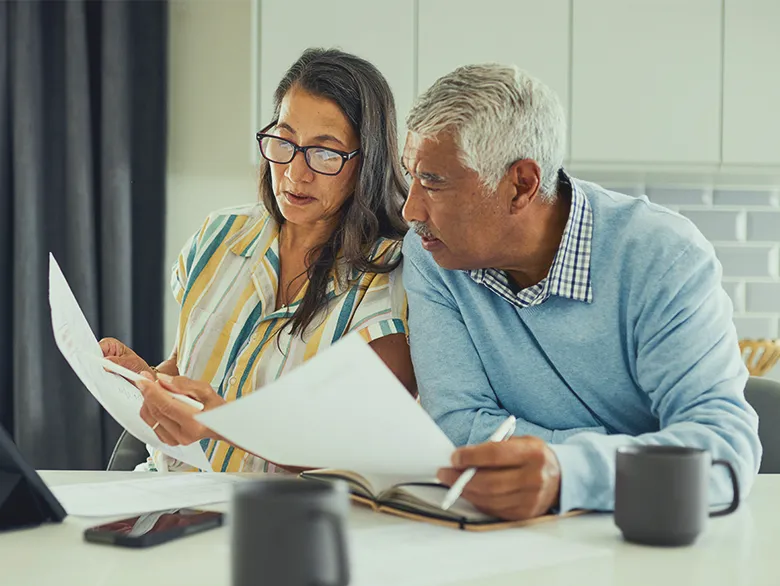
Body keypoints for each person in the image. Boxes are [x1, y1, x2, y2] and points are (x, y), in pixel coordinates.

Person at [400, 63, 762, 520]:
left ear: (521, 186)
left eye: (433, 182)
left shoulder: (663, 256)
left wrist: (567, 473)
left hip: (648, 536)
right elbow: (459, 429)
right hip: (510, 539)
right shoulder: (432, 253)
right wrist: (625, 460)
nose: (411, 208)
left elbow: (722, 451)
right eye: (410, 175)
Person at [101, 48, 415, 473]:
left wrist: (223, 424)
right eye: (284, 142)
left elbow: (359, 446)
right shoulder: (219, 235)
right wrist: (147, 380)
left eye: (325, 154)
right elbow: (188, 362)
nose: (294, 173)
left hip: (281, 522)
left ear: (367, 162)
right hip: (166, 500)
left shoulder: (394, 280)